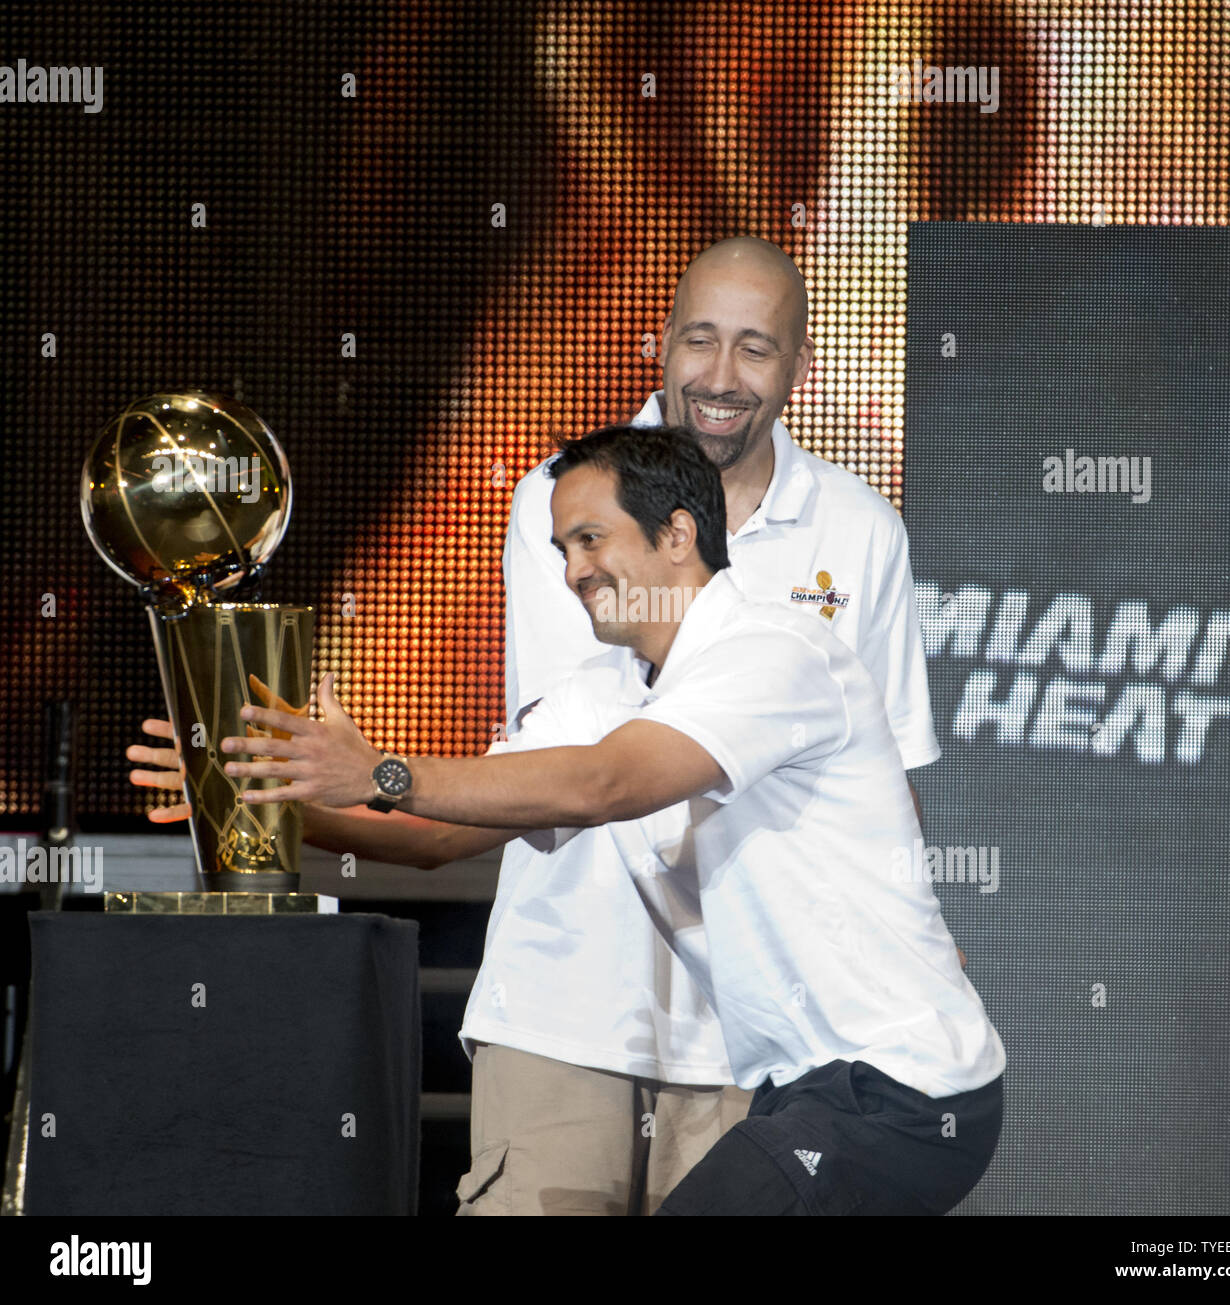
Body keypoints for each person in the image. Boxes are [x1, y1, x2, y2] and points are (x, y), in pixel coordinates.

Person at [128, 236, 956, 1215]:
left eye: (755, 348)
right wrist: (257, 789)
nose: (720, 376)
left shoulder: (859, 530)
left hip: (763, 1036)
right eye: (699, 340)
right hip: (567, 1011)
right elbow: (518, 791)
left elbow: (867, 794)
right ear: (656, 345)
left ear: (802, 368)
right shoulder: (562, 503)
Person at [217, 424, 1005, 1216]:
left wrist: (382, 771)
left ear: (677, 533)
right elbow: (445, 835)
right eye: (561, 547)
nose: (572, 571)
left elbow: (606, 782)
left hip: (903, 1086)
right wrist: (279, 803)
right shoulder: (599, 692)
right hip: (803, 1091)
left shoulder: (777, 651)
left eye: (591, 539)